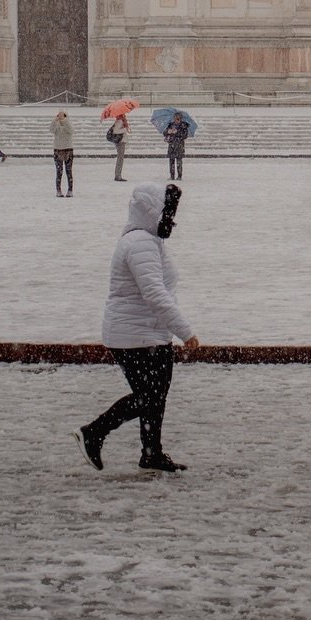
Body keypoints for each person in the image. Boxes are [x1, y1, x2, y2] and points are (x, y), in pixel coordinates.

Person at [74, 182, 200, 474]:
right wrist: (186, 331)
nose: (170, 220)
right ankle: (93, 432)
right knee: (149, 396)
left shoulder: (147, 240)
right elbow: (154, 293)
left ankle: (151, 453)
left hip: (147, 333)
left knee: (154, 396)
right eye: (166, 213)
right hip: (135, 336)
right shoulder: (140, 242)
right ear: (151, 212)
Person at [52, 109, 75, 198]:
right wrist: (55, 120)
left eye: (63, 115)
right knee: (59, 171)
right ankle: (58, 190)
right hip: (58, 149)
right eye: (59, 115)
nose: (61, 117)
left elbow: (71, 130)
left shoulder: (68, 123)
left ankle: (70, 190)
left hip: (68, 149)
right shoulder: (56, 123)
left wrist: (64, 121)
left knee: (68, 171)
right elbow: (51, 130)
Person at [163, 111, 190, 182]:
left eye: (178, 118)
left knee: (179, 162)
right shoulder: (171, 125)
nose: (176, 120)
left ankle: (179, 176)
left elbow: (185, 135)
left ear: (181, 119)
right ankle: (172, 176)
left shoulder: (183, 126)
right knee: (171, 162)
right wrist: (168, 132)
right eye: (175, 118)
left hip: (179, 145)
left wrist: (177, 132)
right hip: (171, 145)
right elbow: (165, 132)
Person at [109, 108, 129, 184]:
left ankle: (118, 175)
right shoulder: (120, 121)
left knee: (120, 158)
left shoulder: (121, 120)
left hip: (122, 141)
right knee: (120, 159)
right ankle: (118, 175)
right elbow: (115, 131)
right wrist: (125, 129)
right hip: (120, 142)